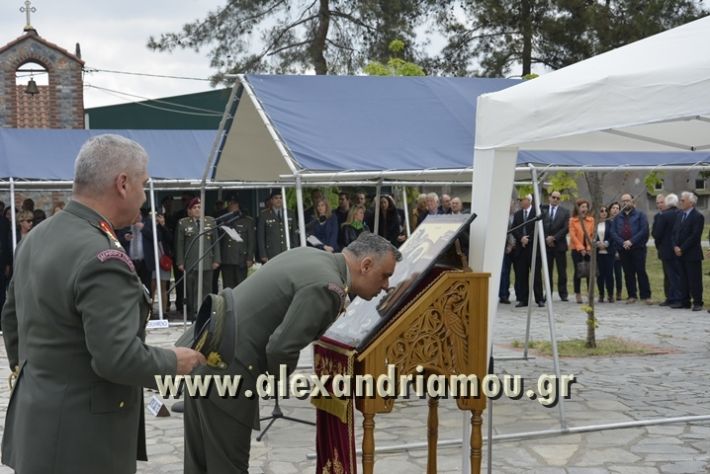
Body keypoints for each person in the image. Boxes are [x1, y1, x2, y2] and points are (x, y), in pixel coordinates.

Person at [0, 134, 205, 474]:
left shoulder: (38, 235)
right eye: (143, 184)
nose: (144, 196)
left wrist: (39, 375)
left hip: (36, 425)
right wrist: (174, 362)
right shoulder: (102, 256)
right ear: (122, 184)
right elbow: (117, 358)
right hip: (85, 443)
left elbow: (11, 319)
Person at [182, 232, 401, 473]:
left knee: (199, 464)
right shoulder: (328, 286)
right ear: (366, 265)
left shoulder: (311, 256)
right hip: (229, 372)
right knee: (228, 467)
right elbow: (281, 347)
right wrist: (276, 380)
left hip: (204, 355)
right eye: (385, 276)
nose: (386, 286)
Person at [176, 197, 221, 319]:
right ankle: (193, 314)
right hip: (191, 262)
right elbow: (180, 244)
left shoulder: (210, 221)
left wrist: (217, 259)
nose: (197, 210)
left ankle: (205, 313)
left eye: (199, 207)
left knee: (207, 288)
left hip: (207, 261)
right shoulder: (183, 223)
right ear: (189, 210)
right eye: (194, 207)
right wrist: (180, 262)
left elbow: (215, 242)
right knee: (191, 290)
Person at [609, 193, 652, 304]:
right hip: (623, 248)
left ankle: (646, 296)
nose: (625, 203)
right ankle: (631, 295)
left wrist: (631, 241)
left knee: (641, 271)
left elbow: (644, 230)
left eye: (627, 200)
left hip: (638, 248)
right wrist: (623, 242)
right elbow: (613, 232)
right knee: (628, 272)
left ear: (632, 201)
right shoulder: (617, 216)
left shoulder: (640, 215)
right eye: (623, 201)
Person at [671, 191, 704, 311]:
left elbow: (695, 236)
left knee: (694, 279)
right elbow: (674, 232)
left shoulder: (697, 216)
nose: (680, 202)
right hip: (679, 253)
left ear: (691, 202)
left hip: (692, 253)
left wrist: (682, 248)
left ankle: (697, 302)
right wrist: (675, 246)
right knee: (683, 279)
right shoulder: (679, 215)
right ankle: (684, 301)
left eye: (683, 200)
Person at [510, 194, 543, 307]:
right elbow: (514, 228)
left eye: (521, 200)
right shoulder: (518, 214)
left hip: (533, 249)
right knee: (521, 275)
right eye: (519, 200)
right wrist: (521, 238)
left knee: (536, 275)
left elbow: (538, 229)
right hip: (521, 249)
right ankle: (523, 299)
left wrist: (528, 239)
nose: (520, 202)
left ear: (529, 200)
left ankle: (539, 299)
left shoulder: (536, 212)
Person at [219, 195, 255, 289]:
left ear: (238, 204)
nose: (231, 205)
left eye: (233, 203)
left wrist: (250, 258)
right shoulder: (223, 219)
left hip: (241, 258)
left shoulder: (247, 221)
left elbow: (251, 241)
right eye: (229, 203)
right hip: (226, 258)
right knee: (227, 286)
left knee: (241, 286)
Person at [651, 193, 681, 306]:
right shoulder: (680, 213)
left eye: (661, 202)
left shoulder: (664, 216)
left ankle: (675, 298)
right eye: (657, 203)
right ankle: (671, 296)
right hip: (677, 248)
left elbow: (656, 233)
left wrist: (659, 244)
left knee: (672, 275)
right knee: (671, 275)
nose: (659, 205)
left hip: (667, 249)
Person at [542, 191, 570, 301]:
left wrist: (554, 238)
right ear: (549, 198)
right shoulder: (543, 210)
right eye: (553, 197)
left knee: (562, 271)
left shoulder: (565, 212)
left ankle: (563, 294)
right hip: (546, 246)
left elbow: (566, 228)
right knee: (547, 270)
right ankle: (548, 293)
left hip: (560, 246)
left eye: (558, 198)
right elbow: (539, 225)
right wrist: (546, 238)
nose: (555, 199)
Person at [569, 198, 595, 304]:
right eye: (582, 206)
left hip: (589, 249)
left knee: (589, 271)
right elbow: (573, 236)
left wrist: (588, 248)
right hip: (576, 249)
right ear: (578, 208)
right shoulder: (572, 220)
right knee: (578, 271)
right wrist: (581, 248)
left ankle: (590, 294)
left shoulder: (591, 220)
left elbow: (592, 235)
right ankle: (578, 294)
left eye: (586, 206)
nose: (585, 209)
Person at [257, 189, 292, 263]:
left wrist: (295, 250)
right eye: (276, 198)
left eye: (281, 198)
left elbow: (294, 235)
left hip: (287, 251)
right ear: (271, 200)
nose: (279, 200)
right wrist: (263, 254)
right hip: (271, 253)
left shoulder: (290, 213)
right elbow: (261, 236)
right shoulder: (264, 215)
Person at [594, 205, 615, 303]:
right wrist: (597, 243)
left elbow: (613, 236)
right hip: (598, 253)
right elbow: (591, 235)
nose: (604, 212)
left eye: (605, 211)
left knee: (609, 274)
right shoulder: (595, 224)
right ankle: (601, 294)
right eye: (601, 211)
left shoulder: (611, 223)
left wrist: (606, 243)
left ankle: (610, 294)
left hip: (608, 252)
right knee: (600, 275)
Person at [608, 201, 624, 301]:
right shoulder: (607, 222)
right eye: (613, 208)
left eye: (617, 208)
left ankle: (619, 292)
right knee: (609, 273)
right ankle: (610, 293)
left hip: (618, 250)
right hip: (608, 250)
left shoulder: (621, 222)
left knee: (618, 273)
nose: (615, 210)